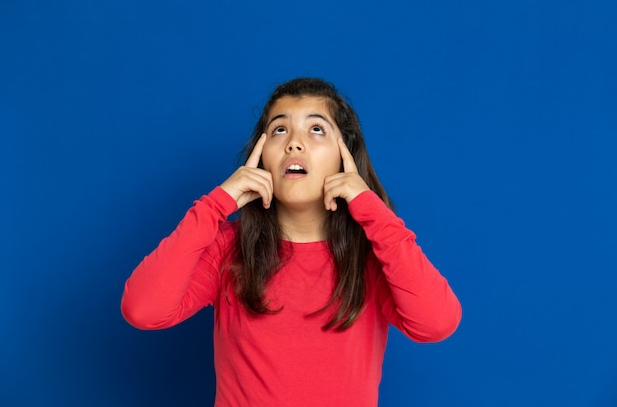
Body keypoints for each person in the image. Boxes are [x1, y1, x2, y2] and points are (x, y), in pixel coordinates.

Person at [121, 77, 461, 407]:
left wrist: (371, 209)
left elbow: (436, 323)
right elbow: (143, 310)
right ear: (261, 155)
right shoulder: (228, 249)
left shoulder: (373, 255)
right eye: (279, 129)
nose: (293, 143)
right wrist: (215, 205)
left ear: (346, 156)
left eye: (316, 129)